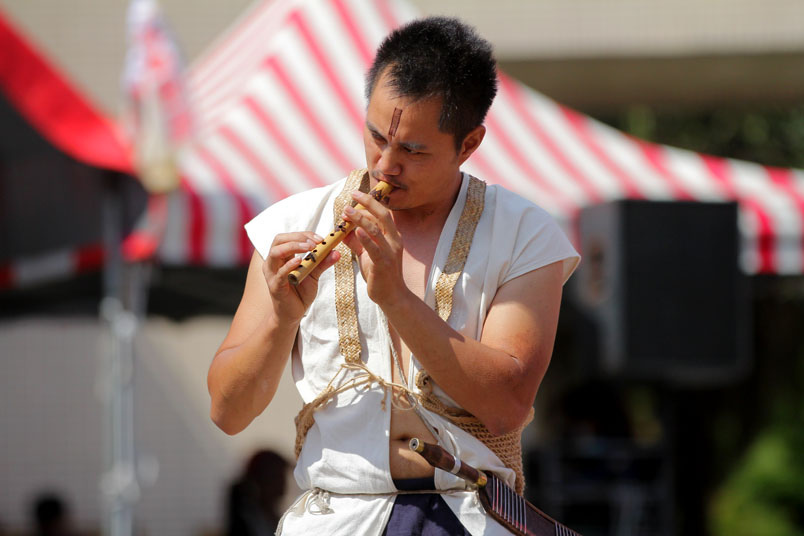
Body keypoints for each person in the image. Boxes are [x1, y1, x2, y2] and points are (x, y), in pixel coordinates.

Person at [208, 16, 579, 535]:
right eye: (376, 136)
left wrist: (396, 298)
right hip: (334, 518)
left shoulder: (525, 234)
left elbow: (508, 406)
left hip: (468, 514)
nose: (385, 165)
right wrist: (279, 320)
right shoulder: (291, 225)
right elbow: (227, 413)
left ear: (469, 144)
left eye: (413, 150)